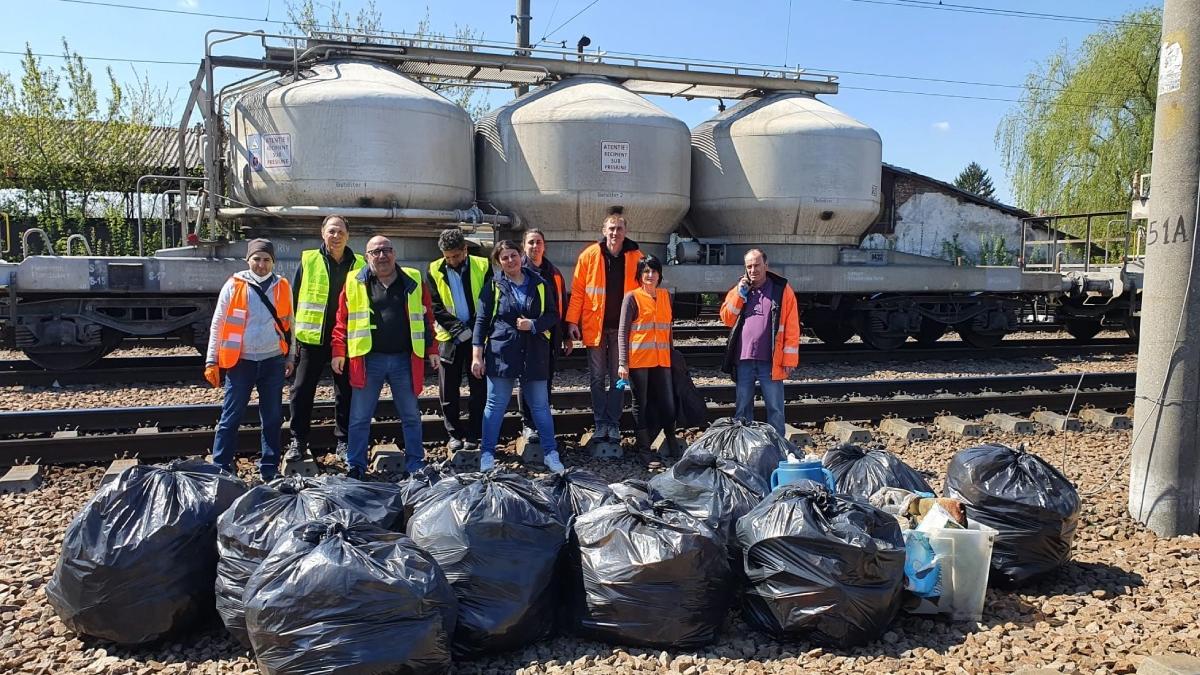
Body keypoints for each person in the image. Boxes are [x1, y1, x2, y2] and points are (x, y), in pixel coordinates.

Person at [331, 235, 439, 480]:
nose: (382, 256)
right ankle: (356, 466)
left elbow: (427, 318)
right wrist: (339, 351)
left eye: (386, 250)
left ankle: (416, 465)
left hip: (404, 360)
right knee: (359, 417)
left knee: (411, 415)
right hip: (369, 360)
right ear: (367, 256)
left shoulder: (412, 279)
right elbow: (342, 320)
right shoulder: (354, 281)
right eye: (375, 252)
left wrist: (432, 349)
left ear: (394, 253)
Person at [204, 238, 294, 481]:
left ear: (273, 262)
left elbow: (289, 325)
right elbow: (218, 323)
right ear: (248, 260)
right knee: (230, 417)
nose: (261, 264)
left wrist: (290, 357)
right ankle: (221, 466)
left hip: (273, 360)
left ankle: (269, 468)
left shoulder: (283, 286)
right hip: (240, 361)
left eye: (266, 260)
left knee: (273, 418)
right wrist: (211, 360)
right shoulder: (234, 286)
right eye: (257, 259)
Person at [471, 240, 564, 472]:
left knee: (541, 406)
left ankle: (551, 453)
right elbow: (481, 322)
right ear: (498, 262)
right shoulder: (493, 286)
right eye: (504, 258)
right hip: (502, 352)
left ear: (520, 256)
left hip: (534, 353)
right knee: (495, 405)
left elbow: (553, 315)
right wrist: (477, 355)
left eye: (513, 255)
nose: (510, 261)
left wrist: (533, 324)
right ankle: (487, 455)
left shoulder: (539, 283)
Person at [286, 215, 364, 464]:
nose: (336, 236)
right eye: (331, 231)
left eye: (340, 231)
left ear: (348, 235)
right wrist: (293, 341)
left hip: (346, 339)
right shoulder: (309, 260)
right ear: (322, 233)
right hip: (313, 339)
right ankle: (298, 439)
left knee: (346, 392)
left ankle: (344, 441)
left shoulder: (360, 263)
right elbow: (295, 300)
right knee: (301, 390)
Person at [565, 205, 641, 445]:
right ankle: (600, 423)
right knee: (597, 378)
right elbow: (578, 292)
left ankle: (614, 423)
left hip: (622, 330)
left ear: (625, 230)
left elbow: (645, 292)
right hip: (594, 326)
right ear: (603, 230)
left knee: (619, 376)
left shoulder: (636, 257)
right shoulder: (589, 255)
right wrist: (571, 322)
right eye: (611, 228)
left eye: (619, 228)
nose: (615, 233)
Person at [719, 248, 801, 436]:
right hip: (744, 359)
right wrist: (739, 295)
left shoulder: (782, 289)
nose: (753, 270)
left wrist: (789, 360)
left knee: (775, 411)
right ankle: (744, 447)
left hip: (771, 361)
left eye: (756, 265)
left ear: (766, 265)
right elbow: (726, 319)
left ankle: (777, 449)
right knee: (742, 411)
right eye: (749, 266)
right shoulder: (740, 288)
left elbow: (792, 326)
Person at [428, 227, 489, 454]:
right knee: (448, 390)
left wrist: (473, 332)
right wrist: (458, 329)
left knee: (478, 388)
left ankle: (474, 434)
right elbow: (435, 306)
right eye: (448, 257)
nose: (452, 261)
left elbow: (486, 301)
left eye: (456, 255)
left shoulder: (482, 266)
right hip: (449, 338)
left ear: (465, 249)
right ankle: (454, 434)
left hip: (477, 337)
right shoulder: (434, 269)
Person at [617, 254, 681, 463]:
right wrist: (622, 363)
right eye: (646, 271)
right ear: (640, 275)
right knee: (641, 403)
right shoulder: (632, 297)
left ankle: (672, 441)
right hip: (639, 360)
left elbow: (668, 330)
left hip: (662, 359)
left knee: (668, 402)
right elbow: (623, 331)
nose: (650, 275)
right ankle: (644, 449)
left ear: (659, 274)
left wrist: (672, 354)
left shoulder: (665, 296)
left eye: (653, 271)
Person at [519, 228, 567, 444]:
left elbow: (561, 306)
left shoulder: (554, 273)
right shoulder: (517, 269)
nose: (535, 246)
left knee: (545, 382)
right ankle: (528, 425)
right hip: (526, 338)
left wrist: (565, 335)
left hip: (549, 339)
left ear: (544, 246)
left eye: (538, 242)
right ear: (524, 246)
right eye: (531, 242)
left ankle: (541, 422)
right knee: (527, 381)